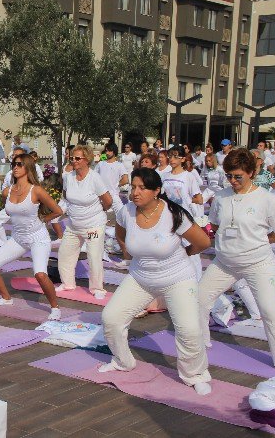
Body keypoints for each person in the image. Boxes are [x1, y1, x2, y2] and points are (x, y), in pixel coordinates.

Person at [100, 168, 213, 395]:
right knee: (111, 318)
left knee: (189, 329)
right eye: (132, 187)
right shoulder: (127, 212)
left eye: (142, 188)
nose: (135, 192)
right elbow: (121, 234)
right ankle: (123, 361)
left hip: (177, 278)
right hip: (141, 277)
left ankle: (195, 375)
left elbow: (203, 242)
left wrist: (186, 253)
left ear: (157, 191)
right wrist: (126, 250)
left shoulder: (173, 214)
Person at [198, 148, 275, 369]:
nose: (232, 181)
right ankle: (200, 343)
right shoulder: (221, 197)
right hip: (224, 263)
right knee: (199, 299)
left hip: (259, 263)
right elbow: (215, 224)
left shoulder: (267, 199)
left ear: (251, 173)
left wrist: (256, 242)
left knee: (270, 312)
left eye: (238, 176)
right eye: (229, 176)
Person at [0, 154, 64, 320]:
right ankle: (6, 298)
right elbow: (8, 210)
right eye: (13, 164)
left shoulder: (37, 190)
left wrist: (43, 220)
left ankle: (55, 308)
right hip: (18, 238)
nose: (15, 167)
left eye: (19, 164)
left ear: (28, 167)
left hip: (38, 238)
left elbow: (58, 211)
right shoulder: (8, 191)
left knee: (40, 274)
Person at [58, 145, 113, 299]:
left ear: (87, 160)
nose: (73, 160)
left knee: (94, 256)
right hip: (73, 225)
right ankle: (68, 283)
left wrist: (99, 211)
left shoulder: (94, 178)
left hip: (93, 226)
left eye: (77, 158)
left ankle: (97, 289)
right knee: (64, 253)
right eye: (72, 158)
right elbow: (66, 196)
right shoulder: (68, 177)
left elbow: (108, 201)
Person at [162, 146, 203, 279]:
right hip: (169, 217)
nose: (172, 159)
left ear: (183, 159)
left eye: (175, 156)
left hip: (185, 217)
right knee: (170, 249)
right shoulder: (164, 176)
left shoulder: (188, 176)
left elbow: (199, 198)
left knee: (192, 250)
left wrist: (184, 198)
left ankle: (197, 281)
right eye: (170, 156)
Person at [95, 143, 128, 212]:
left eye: (109, 151)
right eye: (106, 151)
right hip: (101, 195)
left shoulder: (119, 165)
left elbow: (125, 180)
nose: (107, 153)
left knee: (121, 213)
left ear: (114, 151)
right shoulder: (100, 164)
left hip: (113, 195)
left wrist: (116, 184)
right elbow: (94, 177)